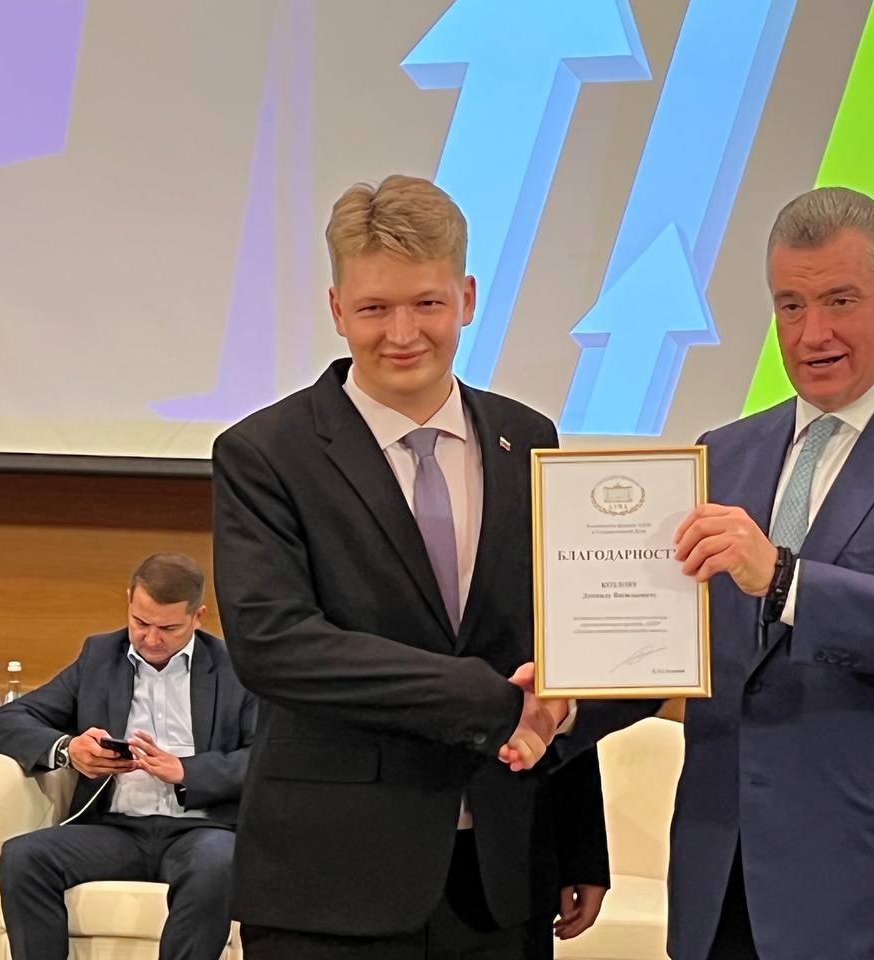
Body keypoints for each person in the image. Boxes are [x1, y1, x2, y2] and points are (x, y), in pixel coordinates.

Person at [560, 186, 874, 959]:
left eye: (839, 301)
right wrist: (559, 707)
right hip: (727, 889)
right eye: (789, 306)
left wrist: (787, 580)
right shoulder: (722, 454)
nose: (812, 333)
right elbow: (674, 646)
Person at [211, 174, 609, 959]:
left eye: (427, 303)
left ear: (467, 297)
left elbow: (555, 637)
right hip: (330, 884)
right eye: (374, 308)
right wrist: (485, 699)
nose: (402, 333)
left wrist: (578, 840)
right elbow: (275, 645)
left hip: (502, 878)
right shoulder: (265, 454)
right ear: (336, 310)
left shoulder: (529, 439)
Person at [0, 553, 256, 960]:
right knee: (22, 858)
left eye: (168, 628)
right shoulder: (100, 657)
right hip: (115, 830)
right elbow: (6, 721)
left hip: (201, 831)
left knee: (219, 863)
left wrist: (185, 771)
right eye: (140, 623)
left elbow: (265, 757)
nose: (151, 639)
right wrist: (69, 750)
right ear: (129, 600)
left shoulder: (235, 668)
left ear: (198, 617)